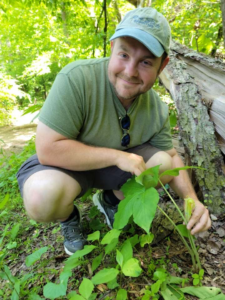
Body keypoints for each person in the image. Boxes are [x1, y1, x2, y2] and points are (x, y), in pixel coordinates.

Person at [17, 7, 211, 256]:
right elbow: (47, 149)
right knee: (41, 196)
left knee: (162, 162)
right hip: (66, 167)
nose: (130, 71)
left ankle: (111, 202)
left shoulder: (157, 109)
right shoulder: (76, 79)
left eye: (146, 62)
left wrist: (191, 200)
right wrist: (118, 157)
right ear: (111, 48)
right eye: (124, 54)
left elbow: (172, 158)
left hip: (115, 173)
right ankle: (68, 217)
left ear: (162, 66)